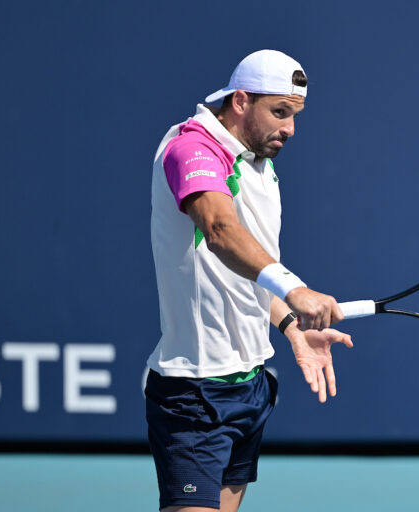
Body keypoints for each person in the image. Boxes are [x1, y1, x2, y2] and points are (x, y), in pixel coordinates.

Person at [146, 49, 353, 512]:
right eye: (280, 112)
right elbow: (220, 231)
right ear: (240, 101)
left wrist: (291, 325)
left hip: (251, 385)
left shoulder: (260, 164)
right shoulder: (192, 147)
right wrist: (295, 289)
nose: (290, 129)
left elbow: (247, 275)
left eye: (295, 115)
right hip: (195, 392)